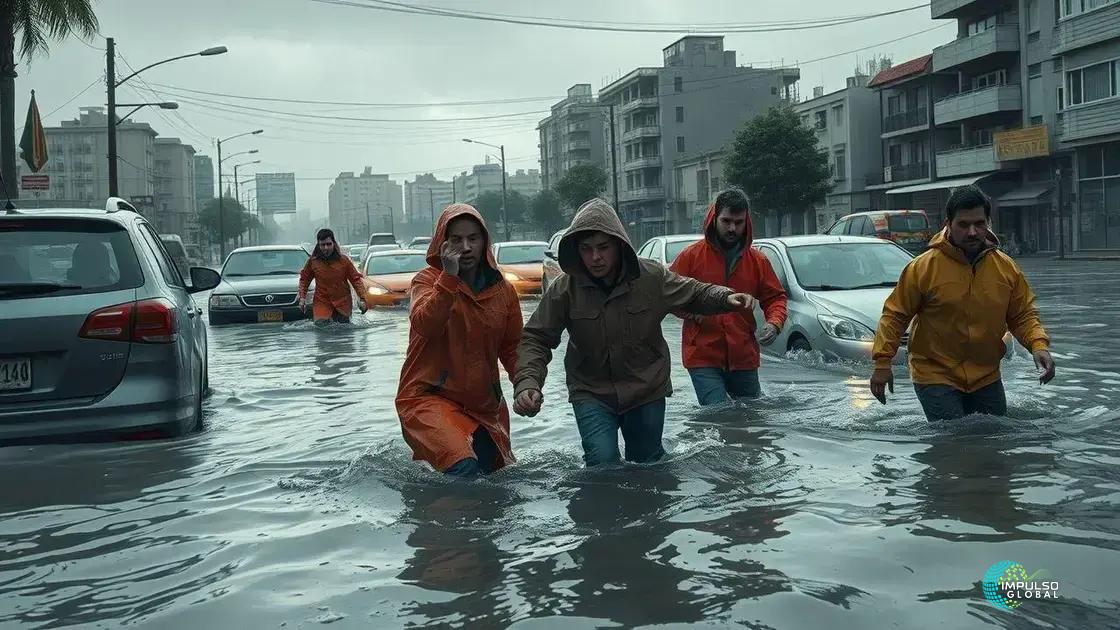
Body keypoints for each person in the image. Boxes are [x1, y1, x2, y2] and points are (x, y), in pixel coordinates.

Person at [512, 198, 758, 467]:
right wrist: (528, 384)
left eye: (603, 248)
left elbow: (693, 292)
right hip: (591, 392)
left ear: (619, 245)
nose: (596, 257)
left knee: (648, 466)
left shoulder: (650, 277)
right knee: (602, 463)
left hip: (646, 389)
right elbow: (536, 338)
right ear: (577, 250)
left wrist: (725, 297)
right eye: (587, 249)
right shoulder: (564, 289)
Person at [869, 185, 1055, 421]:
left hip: (986, 375)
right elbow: (895, 316)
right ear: (948, 223)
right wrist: (882, 363)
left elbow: (1022, 315)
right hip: (935, 374)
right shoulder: (922, 268)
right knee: (953, 443)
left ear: (988, 222)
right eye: (963, 224)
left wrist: (1038, 346)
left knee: (995, 440)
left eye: (979, 223)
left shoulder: (1006, 268)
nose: (972, 232)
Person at [396, 204, 523, 478]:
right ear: (442, 244)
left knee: (497, 475)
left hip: (483, 404)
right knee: (464, 467)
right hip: (428, 397)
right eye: (456, 240)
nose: (465, 247)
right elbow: (425, 325)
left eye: (473, 239)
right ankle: (450, 521)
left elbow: (512, 347)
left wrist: (525, 385)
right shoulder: (426, 282)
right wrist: (449, 278)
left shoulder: (503, 291)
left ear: (484, 243)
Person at [669, 188, 788, 405]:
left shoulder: (758, 261)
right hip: (702, 355)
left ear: (746, 222)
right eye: (726, 221)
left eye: (738, 222)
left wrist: (774, 323)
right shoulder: (690, 257)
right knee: (718, 413)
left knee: (751, 419)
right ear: (714, 218)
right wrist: (695, 314)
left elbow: (776, 298)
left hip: (744, 355)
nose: (732, 228)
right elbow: (669, 294)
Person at [297, 228, 366, 324]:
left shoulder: (344, 261)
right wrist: (302, 298)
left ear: (333, 243)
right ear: (318, 245)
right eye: (323, 245)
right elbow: (304, 279)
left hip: (343, 303)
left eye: (328, 244)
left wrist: (362, 299)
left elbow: (356, 279)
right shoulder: (313, 262)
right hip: (322, 303)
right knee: (321, 326)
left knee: (344, 330)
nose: (326, 248)